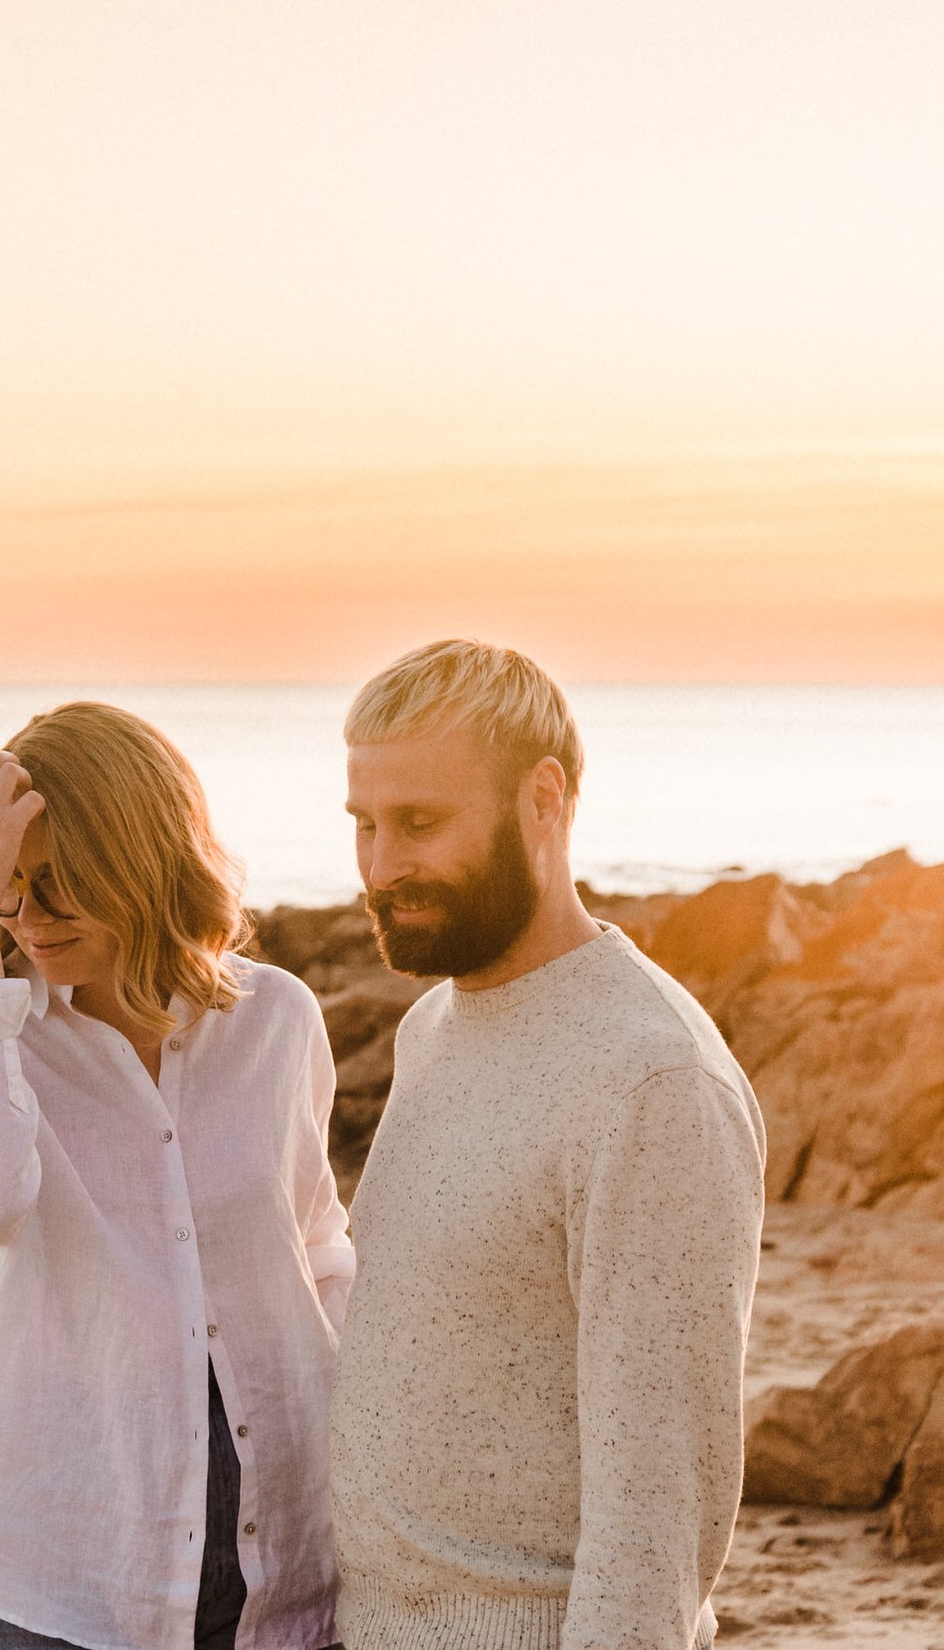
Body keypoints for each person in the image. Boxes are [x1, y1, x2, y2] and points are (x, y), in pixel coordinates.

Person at [0, 701, 352, 1650]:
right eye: (7, 889)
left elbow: (318, 1247)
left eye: (56, 885)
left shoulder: (277, 1020)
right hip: (41, 1578)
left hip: (277, 1577)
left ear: (144, 857)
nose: (29, 920)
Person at [328, 639, 768, 1648]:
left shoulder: (651, 1082)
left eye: (421, 823)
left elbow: (659, 1516)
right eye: (364, 824)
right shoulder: (433, 1023)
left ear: (543, 798)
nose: (382, 865)